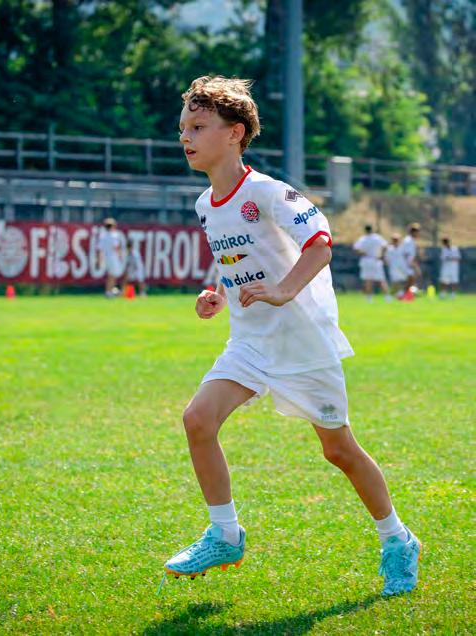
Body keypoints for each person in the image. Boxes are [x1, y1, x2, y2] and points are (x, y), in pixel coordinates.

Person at [163, 75, 421, 597]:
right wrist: (218, 293)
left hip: (302, 343)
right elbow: (236, 258)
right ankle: (225, 534)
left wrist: (283, 291)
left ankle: (398, 539)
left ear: (235, 133)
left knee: (338, 450)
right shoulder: (205, 203)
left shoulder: (268, 191)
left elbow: (320, 243)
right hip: (250, 341)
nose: (186, 137)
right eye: (183, 128)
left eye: (198, 127)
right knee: (198, 419)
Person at [352, 225, 391, 301]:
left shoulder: (363, 239)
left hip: (366, 260)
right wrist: (382, 255)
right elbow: (385, 246)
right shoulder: (377, 238)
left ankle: (369, 298)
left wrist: (363, 253)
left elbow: (356, 248)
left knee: (368, 280)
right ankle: (387, 297)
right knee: (381, 279)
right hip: (376, 260)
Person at [96, 218, 121, 297]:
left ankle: (110, 291)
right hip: (113, 257)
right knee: (112, 276)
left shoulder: (103, 236)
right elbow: (116, 247)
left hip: (106, 258)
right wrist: (119, 255)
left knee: (110, 275)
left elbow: (100, 249)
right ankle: (110, 291)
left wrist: (99, 260)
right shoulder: (114, 235)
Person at [401, 223, 421, 295]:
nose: (418, 234)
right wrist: (413, 265)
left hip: (409, 263)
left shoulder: (411, 240)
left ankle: (405, 295)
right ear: (413, 232)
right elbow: (406, 254)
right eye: (417, 232)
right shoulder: (408, 241)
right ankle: (403, 294)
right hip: (406, 264)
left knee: (411, 280)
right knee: (410, 279)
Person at [385, 233, 408, 298]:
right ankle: (393, 295)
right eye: (394, 240)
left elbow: (406, 256)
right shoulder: (389, 249)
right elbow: (387, 259)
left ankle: (398, 294)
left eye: (396, 240)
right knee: (395, 282)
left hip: (402, 268)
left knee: (402, 281)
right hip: (393, 268)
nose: (395, 241)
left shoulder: (402, 248)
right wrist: (389, 264)